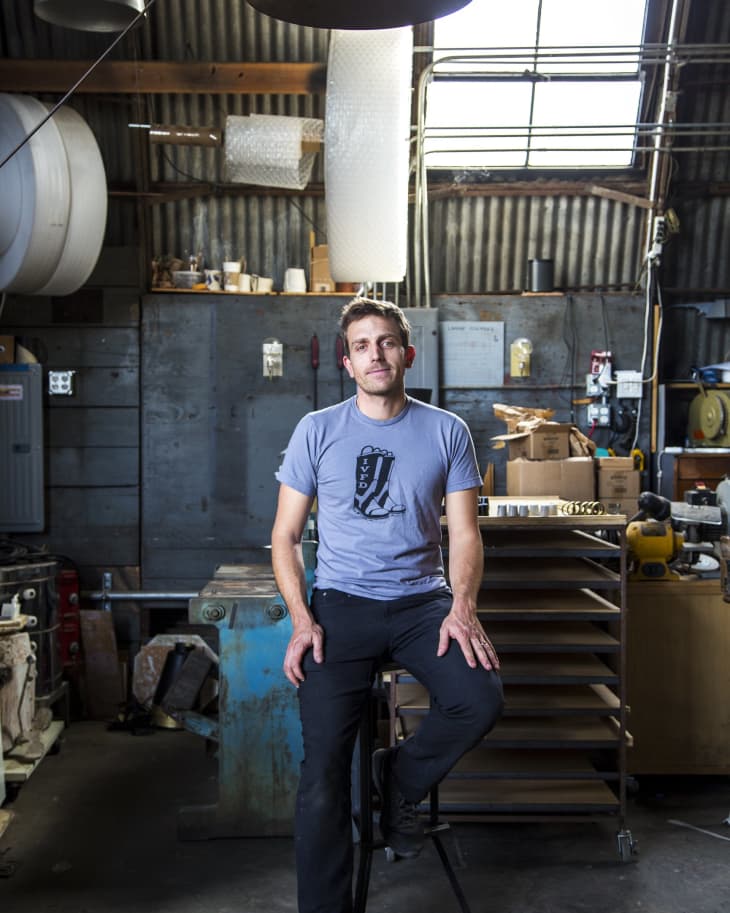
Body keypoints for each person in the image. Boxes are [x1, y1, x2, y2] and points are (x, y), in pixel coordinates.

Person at [271, 297, 504, 913]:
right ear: (347, 362)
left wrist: (463, 607)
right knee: (322, 774)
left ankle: (395, 777)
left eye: (387, 343)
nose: (376, 355)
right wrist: (301, 618)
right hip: (340, 606)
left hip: (421, 603)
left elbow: (463, 533)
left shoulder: (447, 430)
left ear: (407, 352)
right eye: (362, 346)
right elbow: (286, 537)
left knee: (479, 698)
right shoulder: (317, 430)